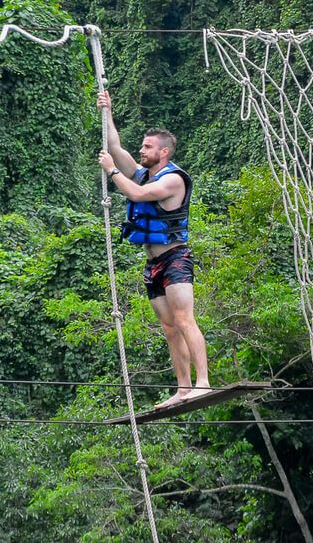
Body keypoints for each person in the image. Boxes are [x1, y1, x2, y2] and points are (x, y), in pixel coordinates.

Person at [96, 90, 210, 408]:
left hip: (175, 258)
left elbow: (136, 194)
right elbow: (115, 146)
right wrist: (107, 111)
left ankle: (204, 382)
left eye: (146, 147)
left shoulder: (172, 180)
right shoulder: (145, 171)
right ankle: (184, 387)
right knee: (169, 327)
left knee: (184, 319)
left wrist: (111, 171)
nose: (141, 150)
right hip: (153, 265)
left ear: (162, 151)